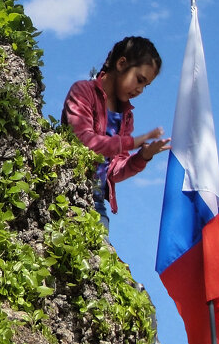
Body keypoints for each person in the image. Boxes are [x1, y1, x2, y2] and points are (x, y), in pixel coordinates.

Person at [61, 36, 170, 228]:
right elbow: (84, 141)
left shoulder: (126, 116)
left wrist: (142, 157)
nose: (140, 90)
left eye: (146, 85)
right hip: (68, 189)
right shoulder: (83, 92)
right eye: (139, 80)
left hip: (96, 200)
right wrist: (134, 141)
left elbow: (113, 171)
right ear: (121, 64)